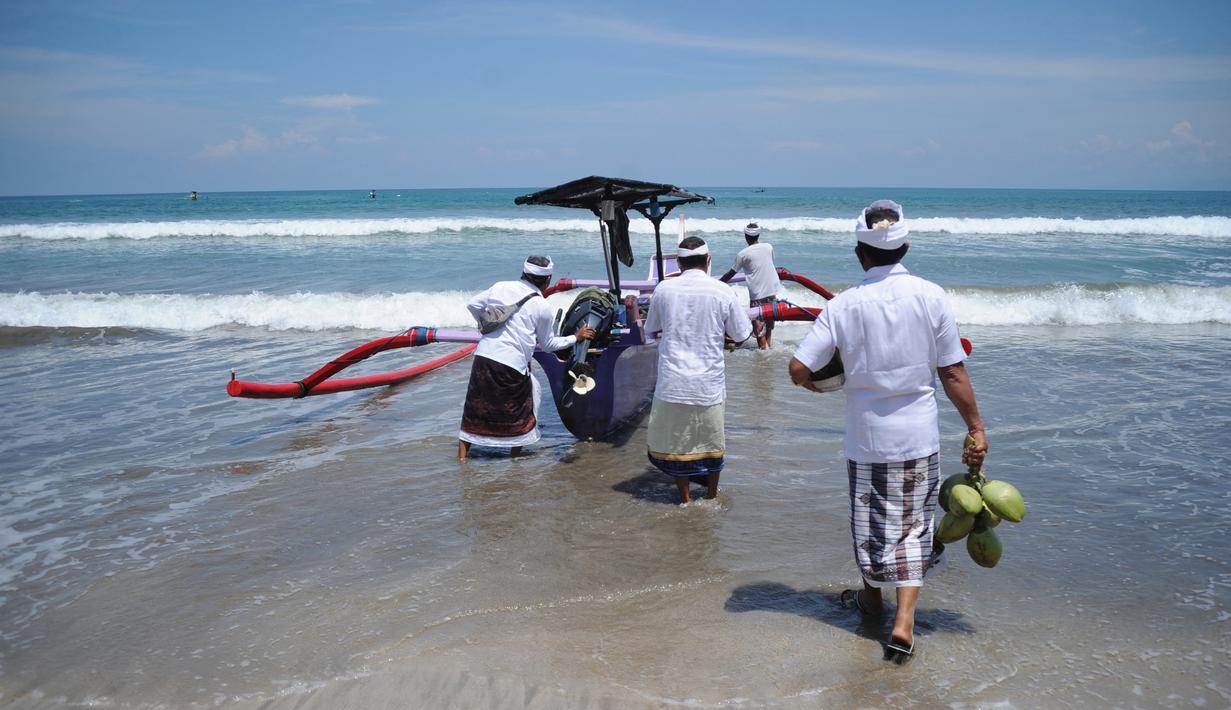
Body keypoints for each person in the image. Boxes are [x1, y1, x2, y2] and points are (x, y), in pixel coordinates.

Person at [787, 200, 988, 663]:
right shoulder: (932, 296)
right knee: (913, 527)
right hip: (918, 435)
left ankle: (872, 598)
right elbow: (952, 373)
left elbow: (799, 367)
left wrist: (821, 387)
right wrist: (975, 427)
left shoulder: (844, 305)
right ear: (906, 247)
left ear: (860, 254)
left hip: (866, 438)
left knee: (871, 526)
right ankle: (902, 623)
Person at [644, 236, 753, 503]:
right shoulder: (722, 291)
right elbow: (741, 334)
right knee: (711, 442)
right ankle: (712, 496)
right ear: (708, 260)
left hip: (673, 380)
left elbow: (651, 328)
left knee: (677, 444)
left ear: (678, 263)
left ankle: (685, 498)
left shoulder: (664, 289)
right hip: (708, 382)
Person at [458, 256, 595, 460]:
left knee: (475, 408)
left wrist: (486, 326)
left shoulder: (500, 287)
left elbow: (473, 305)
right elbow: (548, 345)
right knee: (523, 409)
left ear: (524, 272)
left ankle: (462, 458)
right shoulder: (541, 306)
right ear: (547, 280)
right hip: (511, 365)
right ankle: (515, 456)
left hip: (483, 357)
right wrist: (575, 337)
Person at [720, 222, 781, 349]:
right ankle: (768, 350)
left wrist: (717, 283)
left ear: (745, 236)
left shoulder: (743, 254)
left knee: (759, 331)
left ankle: (763, 356)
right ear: (758, 235)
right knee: (769, 327)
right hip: (772, 290)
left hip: (757, 294)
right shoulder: (768, 247)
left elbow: (731, 273)